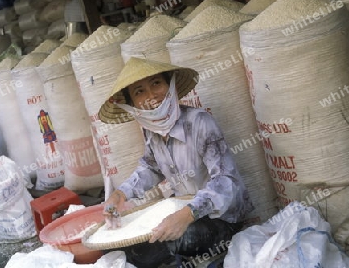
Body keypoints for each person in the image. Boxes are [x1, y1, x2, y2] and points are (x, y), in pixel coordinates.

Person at [98, 57, 254, 267]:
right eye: (139, 91)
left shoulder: (199, 122)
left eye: (156, 83)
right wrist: (120, 194)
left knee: (151, 249)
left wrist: (187, 214)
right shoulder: (152, 133)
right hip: (185, 211)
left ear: (170, 86)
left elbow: (226, 180)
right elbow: (150, 168)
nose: (151, 95)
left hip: (223, 219)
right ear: (132, 104)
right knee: (117, 246)